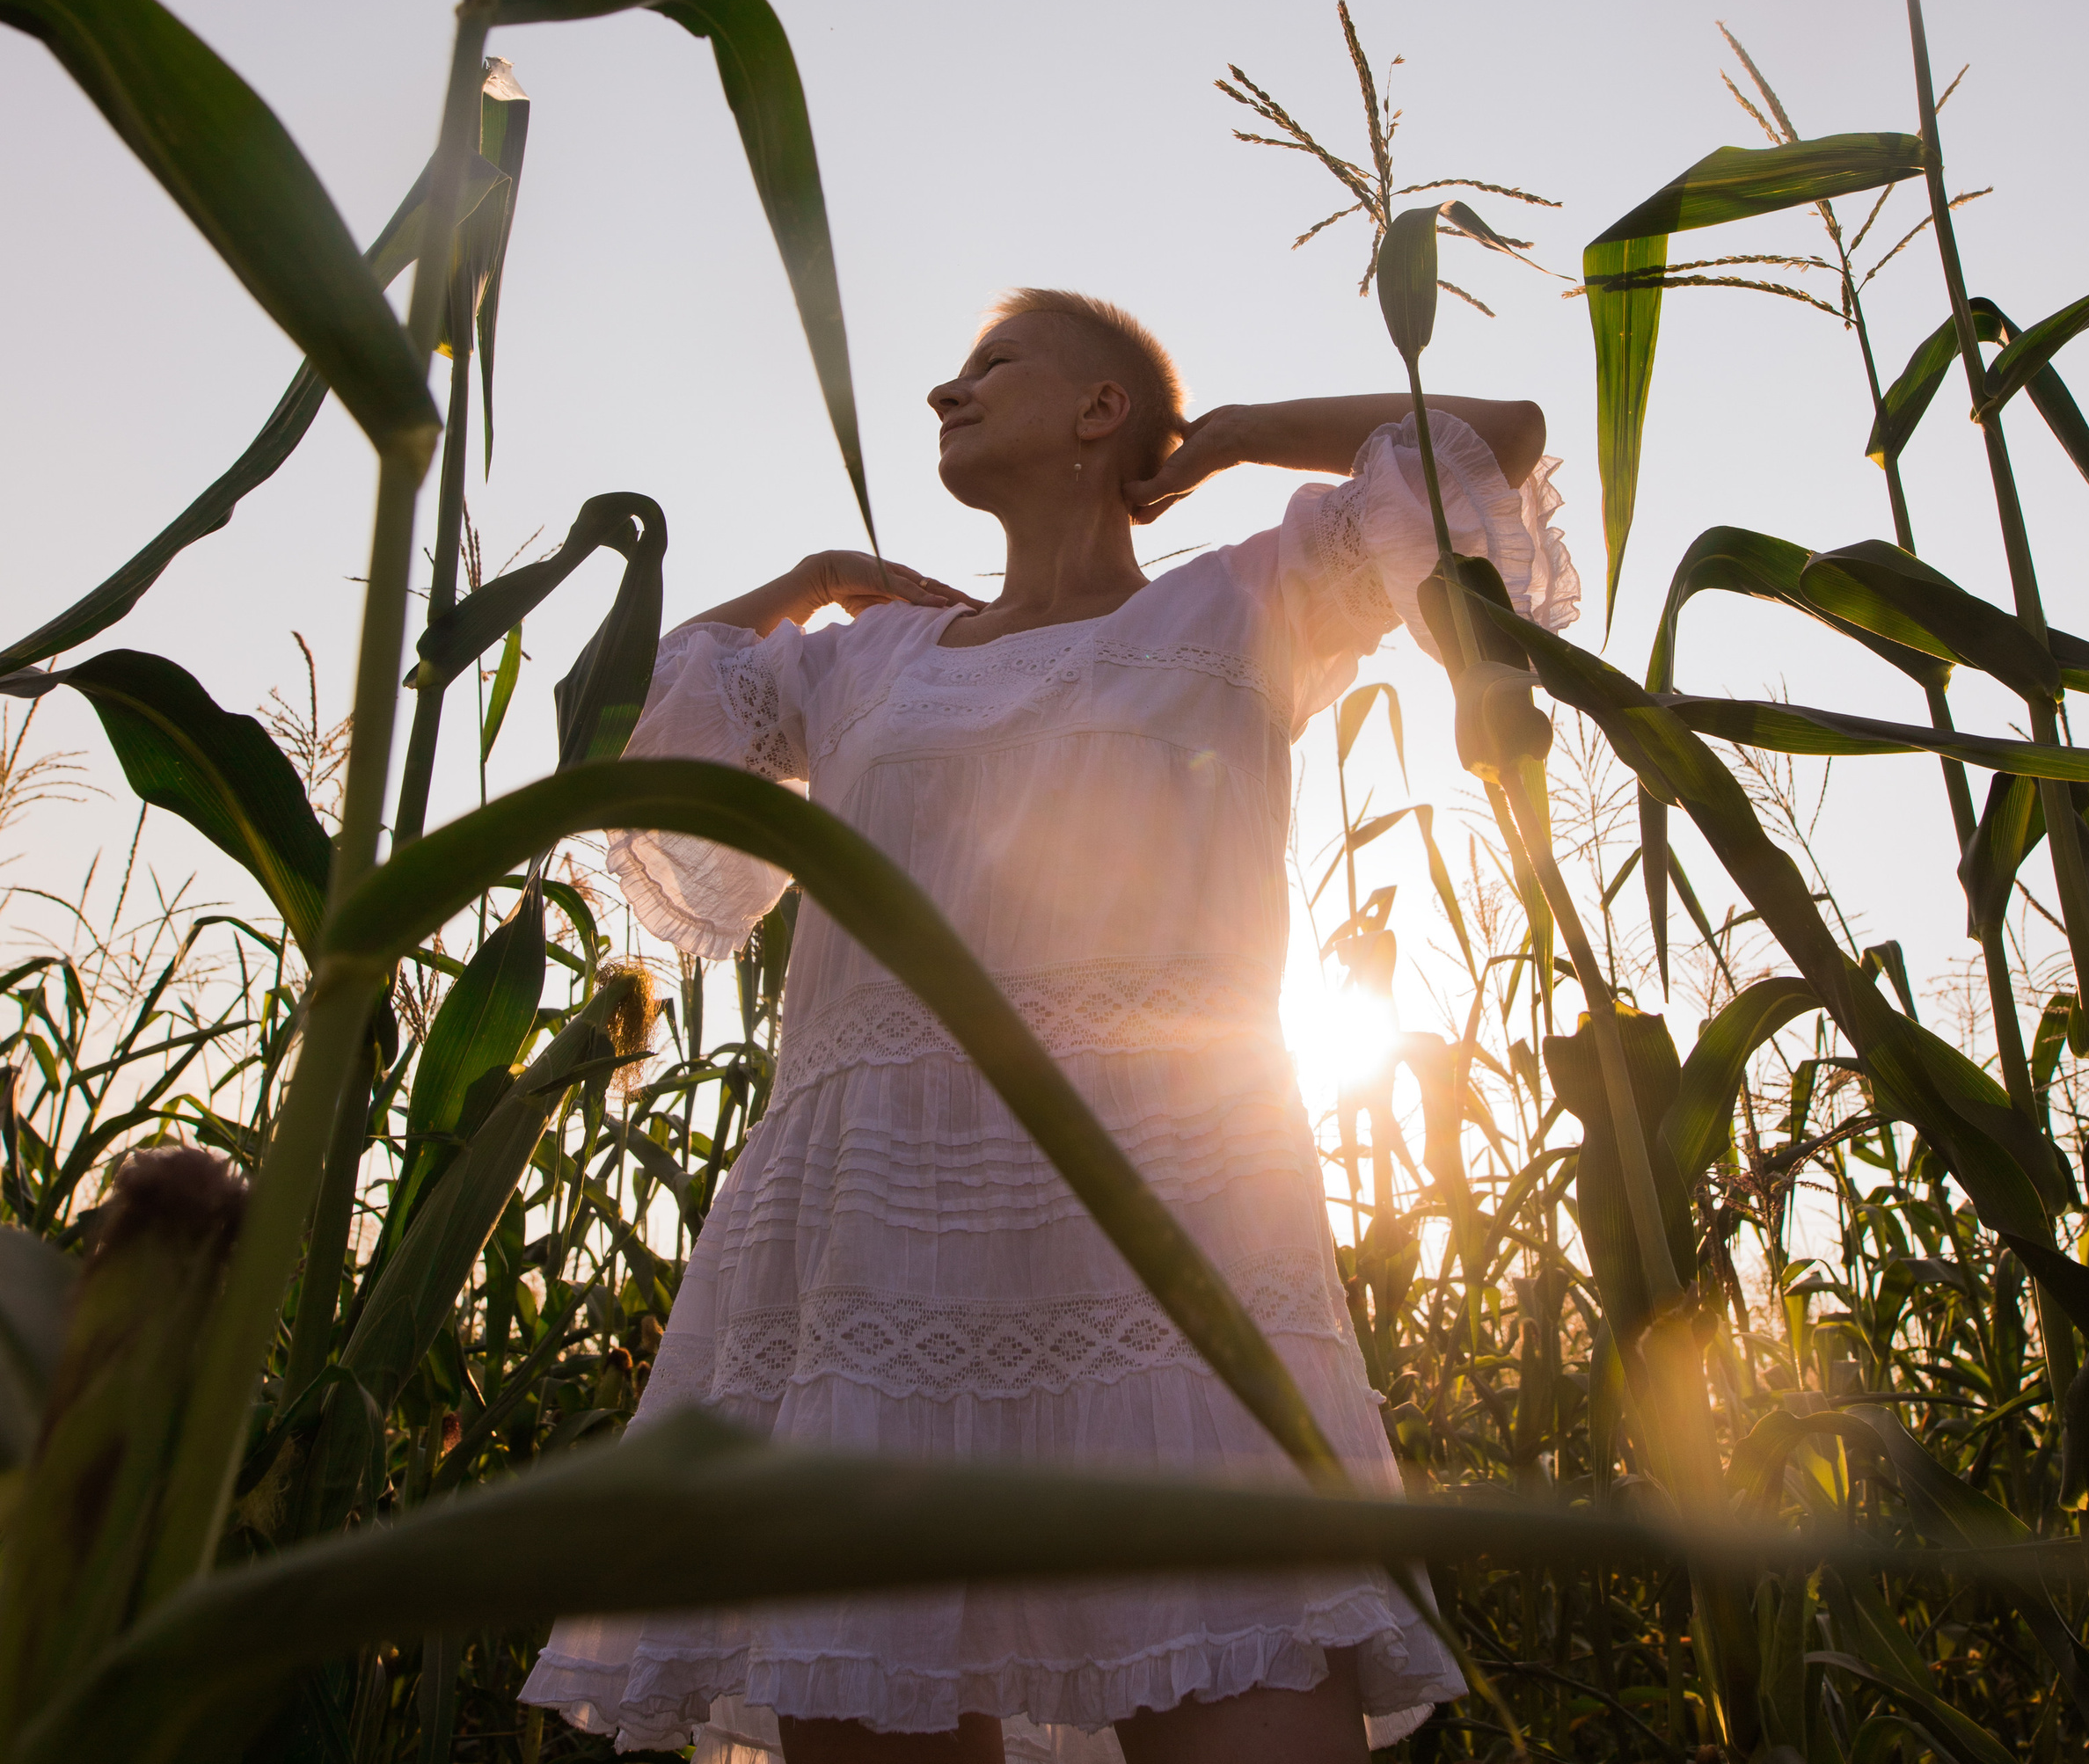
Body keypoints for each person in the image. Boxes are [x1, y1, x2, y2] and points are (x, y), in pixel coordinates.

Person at [523, 288, 1579, 1764]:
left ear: (1100, 415)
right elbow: (634, 715)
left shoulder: (1240, 603)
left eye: (991, 368)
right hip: (874, 1262)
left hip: (1170, 1241)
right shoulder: (868, 660)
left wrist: (1225, 439)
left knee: (1254, 1692)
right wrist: (811, 578)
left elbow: (1492, 443)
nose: (945, 397)